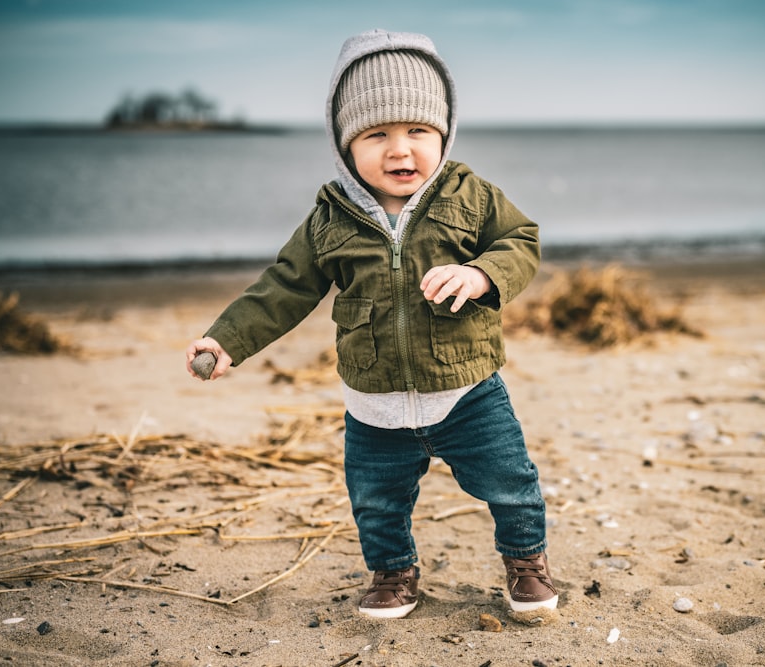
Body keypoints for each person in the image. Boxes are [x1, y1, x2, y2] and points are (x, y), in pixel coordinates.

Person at [185, 29, 557, 620]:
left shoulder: (470, 195)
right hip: (373, 402)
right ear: (344, 144)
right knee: (376, 502)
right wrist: (228, 338)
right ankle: (392, 574)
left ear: (443, 134)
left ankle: (526, 564)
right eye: (376, 134)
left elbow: (521, 241)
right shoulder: (330, 219)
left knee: (511, 483)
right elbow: (285, 285)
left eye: (418, 132)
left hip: (468, 391)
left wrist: (482, 274)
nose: (400, 150)